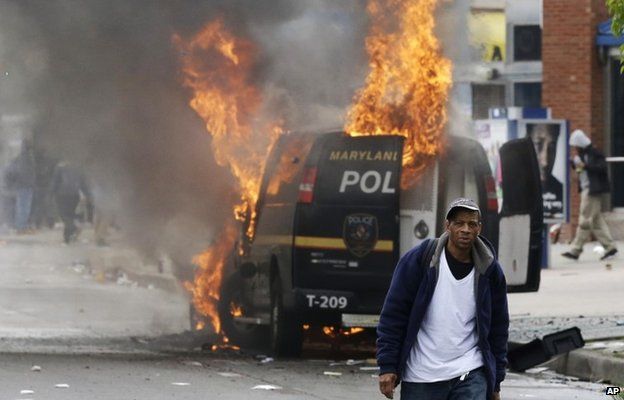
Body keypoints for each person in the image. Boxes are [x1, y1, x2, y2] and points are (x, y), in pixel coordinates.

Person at [377, 198, 509, 400]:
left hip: (470, 371)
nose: (465, 229)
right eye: (459, 223)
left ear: (479, 229)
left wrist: (495, 381)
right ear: (447, 226)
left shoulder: (490, 270)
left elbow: (498, 328)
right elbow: (393, 315)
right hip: (422, 375)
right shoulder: (420, 260)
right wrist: (387, 366)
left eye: (472, 224)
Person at [562, 129, 618, 261]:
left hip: (592, 190)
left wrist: (585, 165)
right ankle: (610, 248)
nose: (575, 148)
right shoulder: (582, 155)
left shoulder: (595, 153)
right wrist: (575, 165)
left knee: (585, 220)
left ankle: (576, 249)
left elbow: (601, 168)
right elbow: (581, 171)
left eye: (576, 146)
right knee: (597, 221)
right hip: (586, 189)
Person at [527, 123, 564, 219]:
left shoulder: (562, 193)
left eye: (552, 148)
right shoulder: (517, 189)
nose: (545, 162)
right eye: (538, 145)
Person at [50, 161, 93, 244]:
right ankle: (67, 237)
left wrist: (51, 193)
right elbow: (83, 183)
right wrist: (88, 194)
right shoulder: (78, 166)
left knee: (64, 215)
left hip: (61, 194)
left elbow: (55, 181)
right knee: (70, 215)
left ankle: (70, 231)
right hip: (74, 194)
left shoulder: (60, 166)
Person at [4, 139, 36, 233]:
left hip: (23, 185)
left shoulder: (20, 158)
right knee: (23, 207)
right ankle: (21, 227)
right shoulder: (26, 158)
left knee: (23, 206)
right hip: (25, 185)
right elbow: (26, 173)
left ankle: (21, 226)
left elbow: (11, 171)